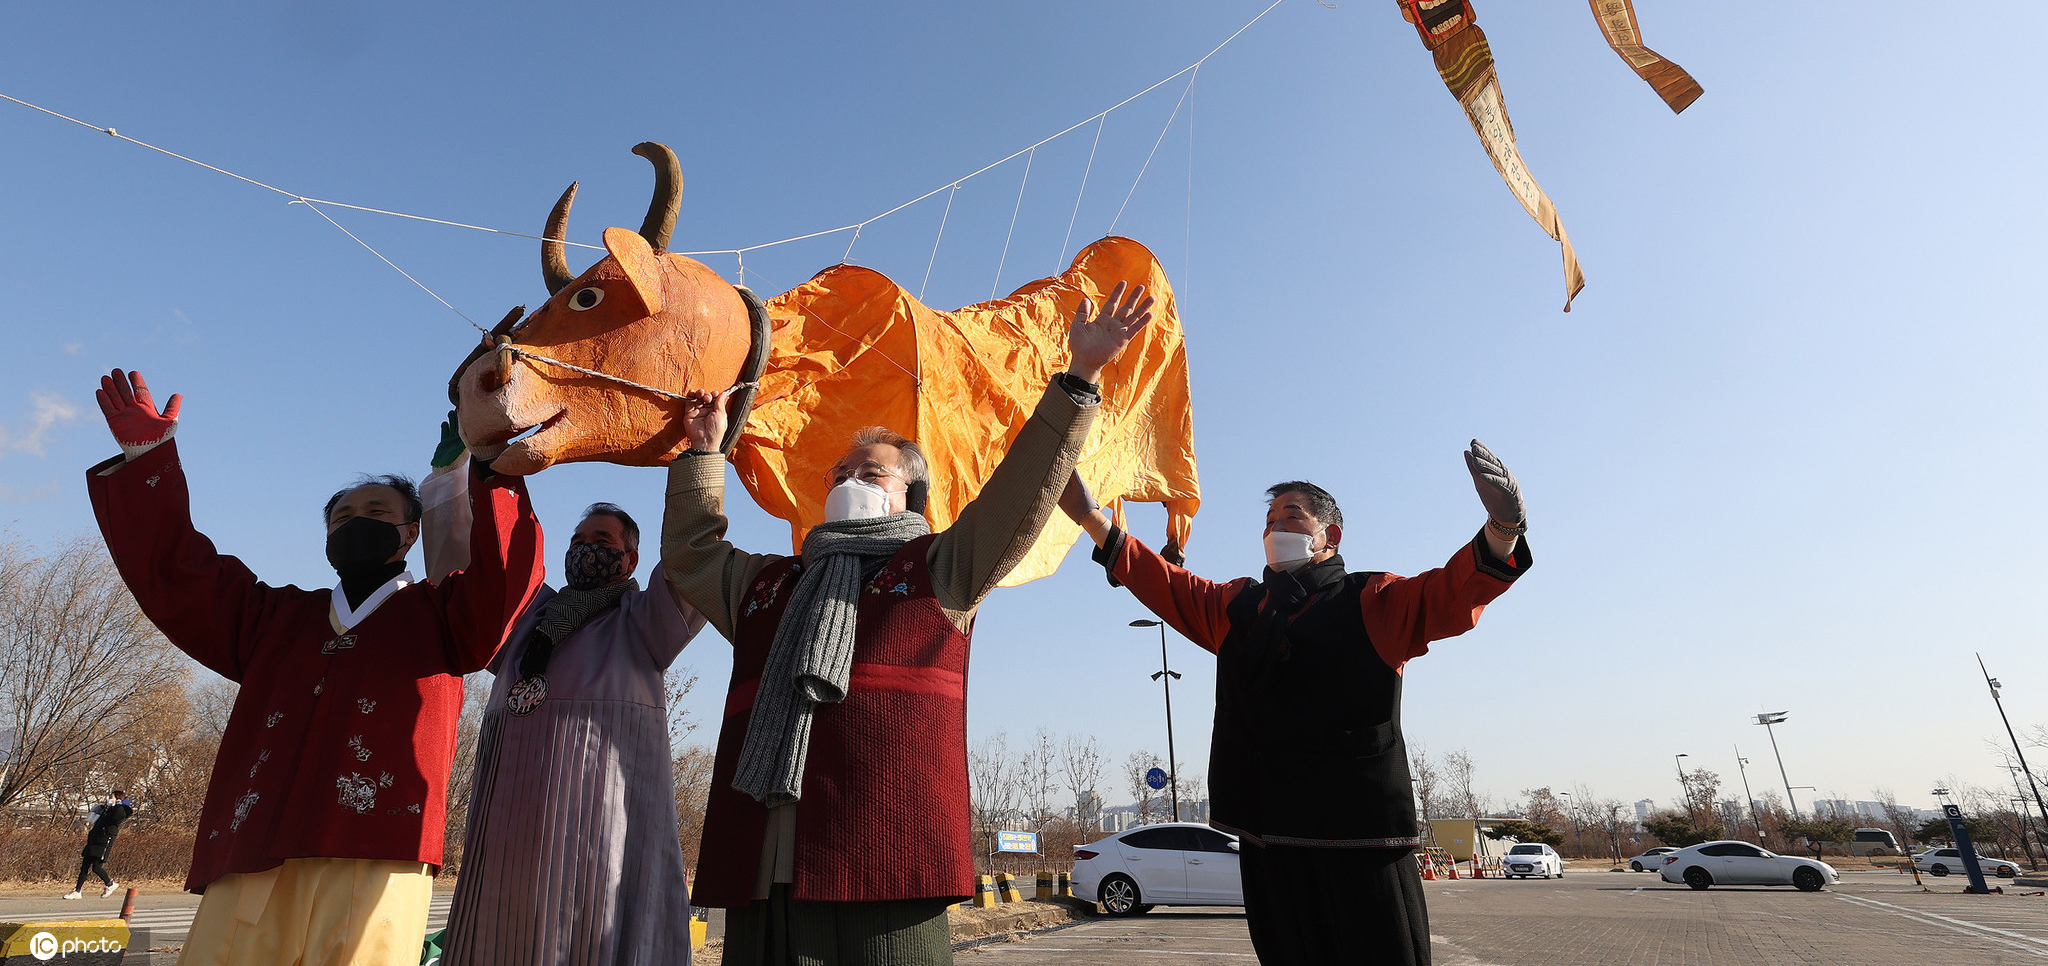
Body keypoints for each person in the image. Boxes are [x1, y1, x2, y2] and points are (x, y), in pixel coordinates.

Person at [664, 283, 1154, 966]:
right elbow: (691, 554)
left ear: (911, 496)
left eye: (870, 473)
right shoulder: (770, 586)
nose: (848, 480)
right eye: (840, 472)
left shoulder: (942, 569)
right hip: (760, 874)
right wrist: (703, 453)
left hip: (888, 869)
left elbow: (1019, 492)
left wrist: (1081, 377)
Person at [86, 370, 544, 966]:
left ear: (410, 533)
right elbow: (178, 574)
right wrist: (148, 460)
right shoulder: (274, 617)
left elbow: (505, 576)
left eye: (376, 510)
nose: (356, 521)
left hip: (382, 849)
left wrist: (490, 465)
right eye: (341, 516)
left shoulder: (443, 616)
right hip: (253, 849)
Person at [1066, 442, 1534, 966]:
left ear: (1330, 535)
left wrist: (1502, 531)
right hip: (1269, 841)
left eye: (1291, 516)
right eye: (1268, 521)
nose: (1274, 529)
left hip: (1362, 844)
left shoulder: (1372, 598)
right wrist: (1092, 518)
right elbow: (1167, 585)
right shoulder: (1240, 608)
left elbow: (1449, 592)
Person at [425, 415, 709, 966]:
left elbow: (691, 557)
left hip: (604, 835)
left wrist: (701, 459)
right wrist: (458, 476)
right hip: (510, 833)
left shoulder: (645, 620)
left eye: (602, 541)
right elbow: (472, 568)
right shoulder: (526, 619)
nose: (585, 549)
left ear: (631, 559)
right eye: (577, 540)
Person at [63, 791, 132, 900]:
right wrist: (103, 808)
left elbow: (116, 818)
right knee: (84, 867)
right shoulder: (107, 809)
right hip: (94, 840)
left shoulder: (120, 810)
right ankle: (77, 891)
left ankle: (110, 884)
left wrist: (117, 805)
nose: (109, 799)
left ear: (118, 799)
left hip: (104, 842)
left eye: (112, 797)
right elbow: (93, 819)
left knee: (96, 867)